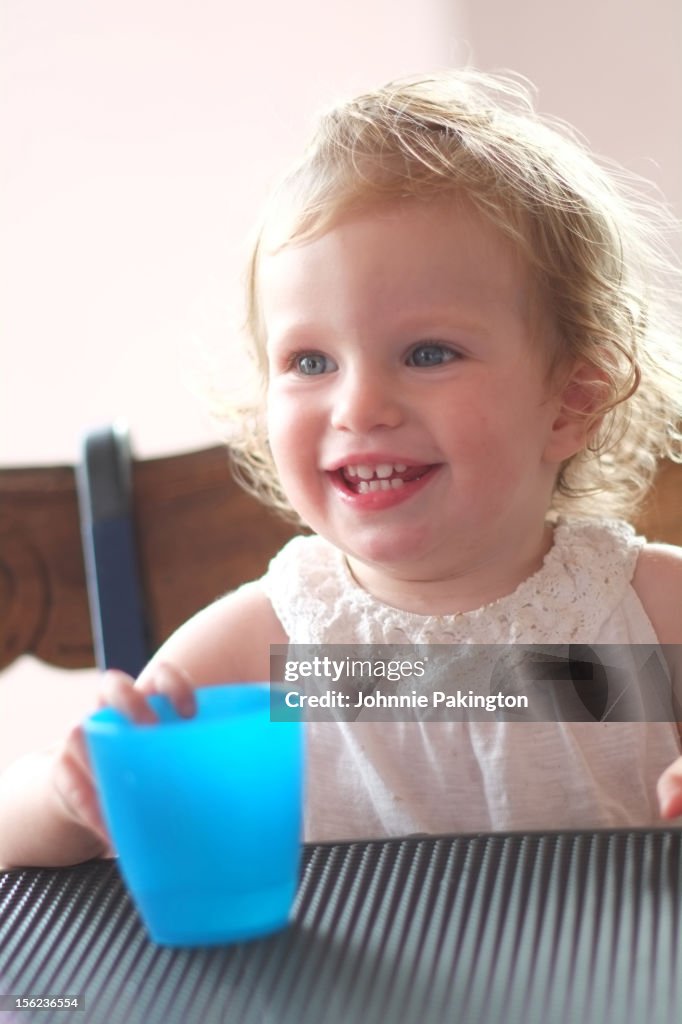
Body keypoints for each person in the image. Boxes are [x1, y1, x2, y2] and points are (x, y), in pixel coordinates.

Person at [2, 68, 682, 868]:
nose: (359, 406)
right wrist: (65, 792)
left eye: (429, 353)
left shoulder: (649, 620)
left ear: (570, 401)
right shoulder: (267, 648)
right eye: (310, 360)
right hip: (337, 997)